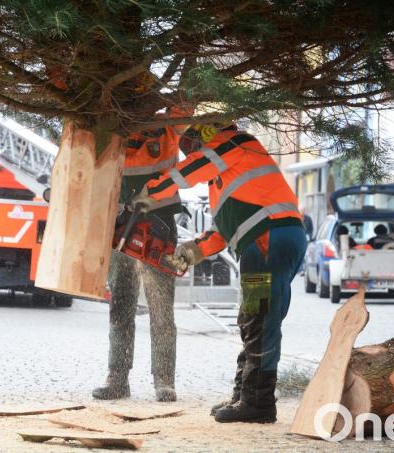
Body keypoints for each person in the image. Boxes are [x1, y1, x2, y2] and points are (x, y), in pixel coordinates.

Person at [132, 123, 306, 423]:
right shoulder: (230, 175)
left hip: (267, 240)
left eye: (191, 147)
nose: (191, 153)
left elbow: (187, 171)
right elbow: (221, 232)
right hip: (274, 240)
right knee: (256, 317)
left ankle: (258, 402)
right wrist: (192, 251)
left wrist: (152, 191)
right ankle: (247, 394)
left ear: (204, 138)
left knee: (259, 320)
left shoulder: (234, 142)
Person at [92, 108, 189, 403]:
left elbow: (186, 101)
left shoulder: (168, 126)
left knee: (162, 311)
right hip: (121, 227)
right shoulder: (114, 128)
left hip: (158, 228)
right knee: (120, 307)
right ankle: (117, 378)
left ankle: (164, 381)